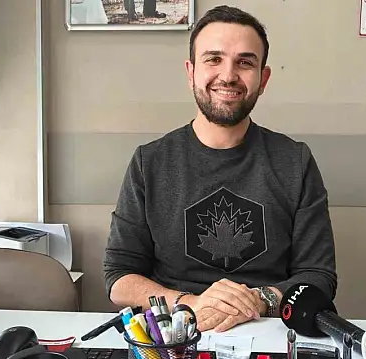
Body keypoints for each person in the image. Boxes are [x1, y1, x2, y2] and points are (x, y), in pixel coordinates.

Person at [103, 5, 336, 333]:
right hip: (177, 332)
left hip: (268, 329)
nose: (228, 75)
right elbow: (118, 278)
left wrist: (257, 300)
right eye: (213, 59)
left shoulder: (295, 162)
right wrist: (191, 303)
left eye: (245, 62)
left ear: (263, 78)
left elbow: (318, 275)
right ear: (191, 72)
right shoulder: (149, 162)